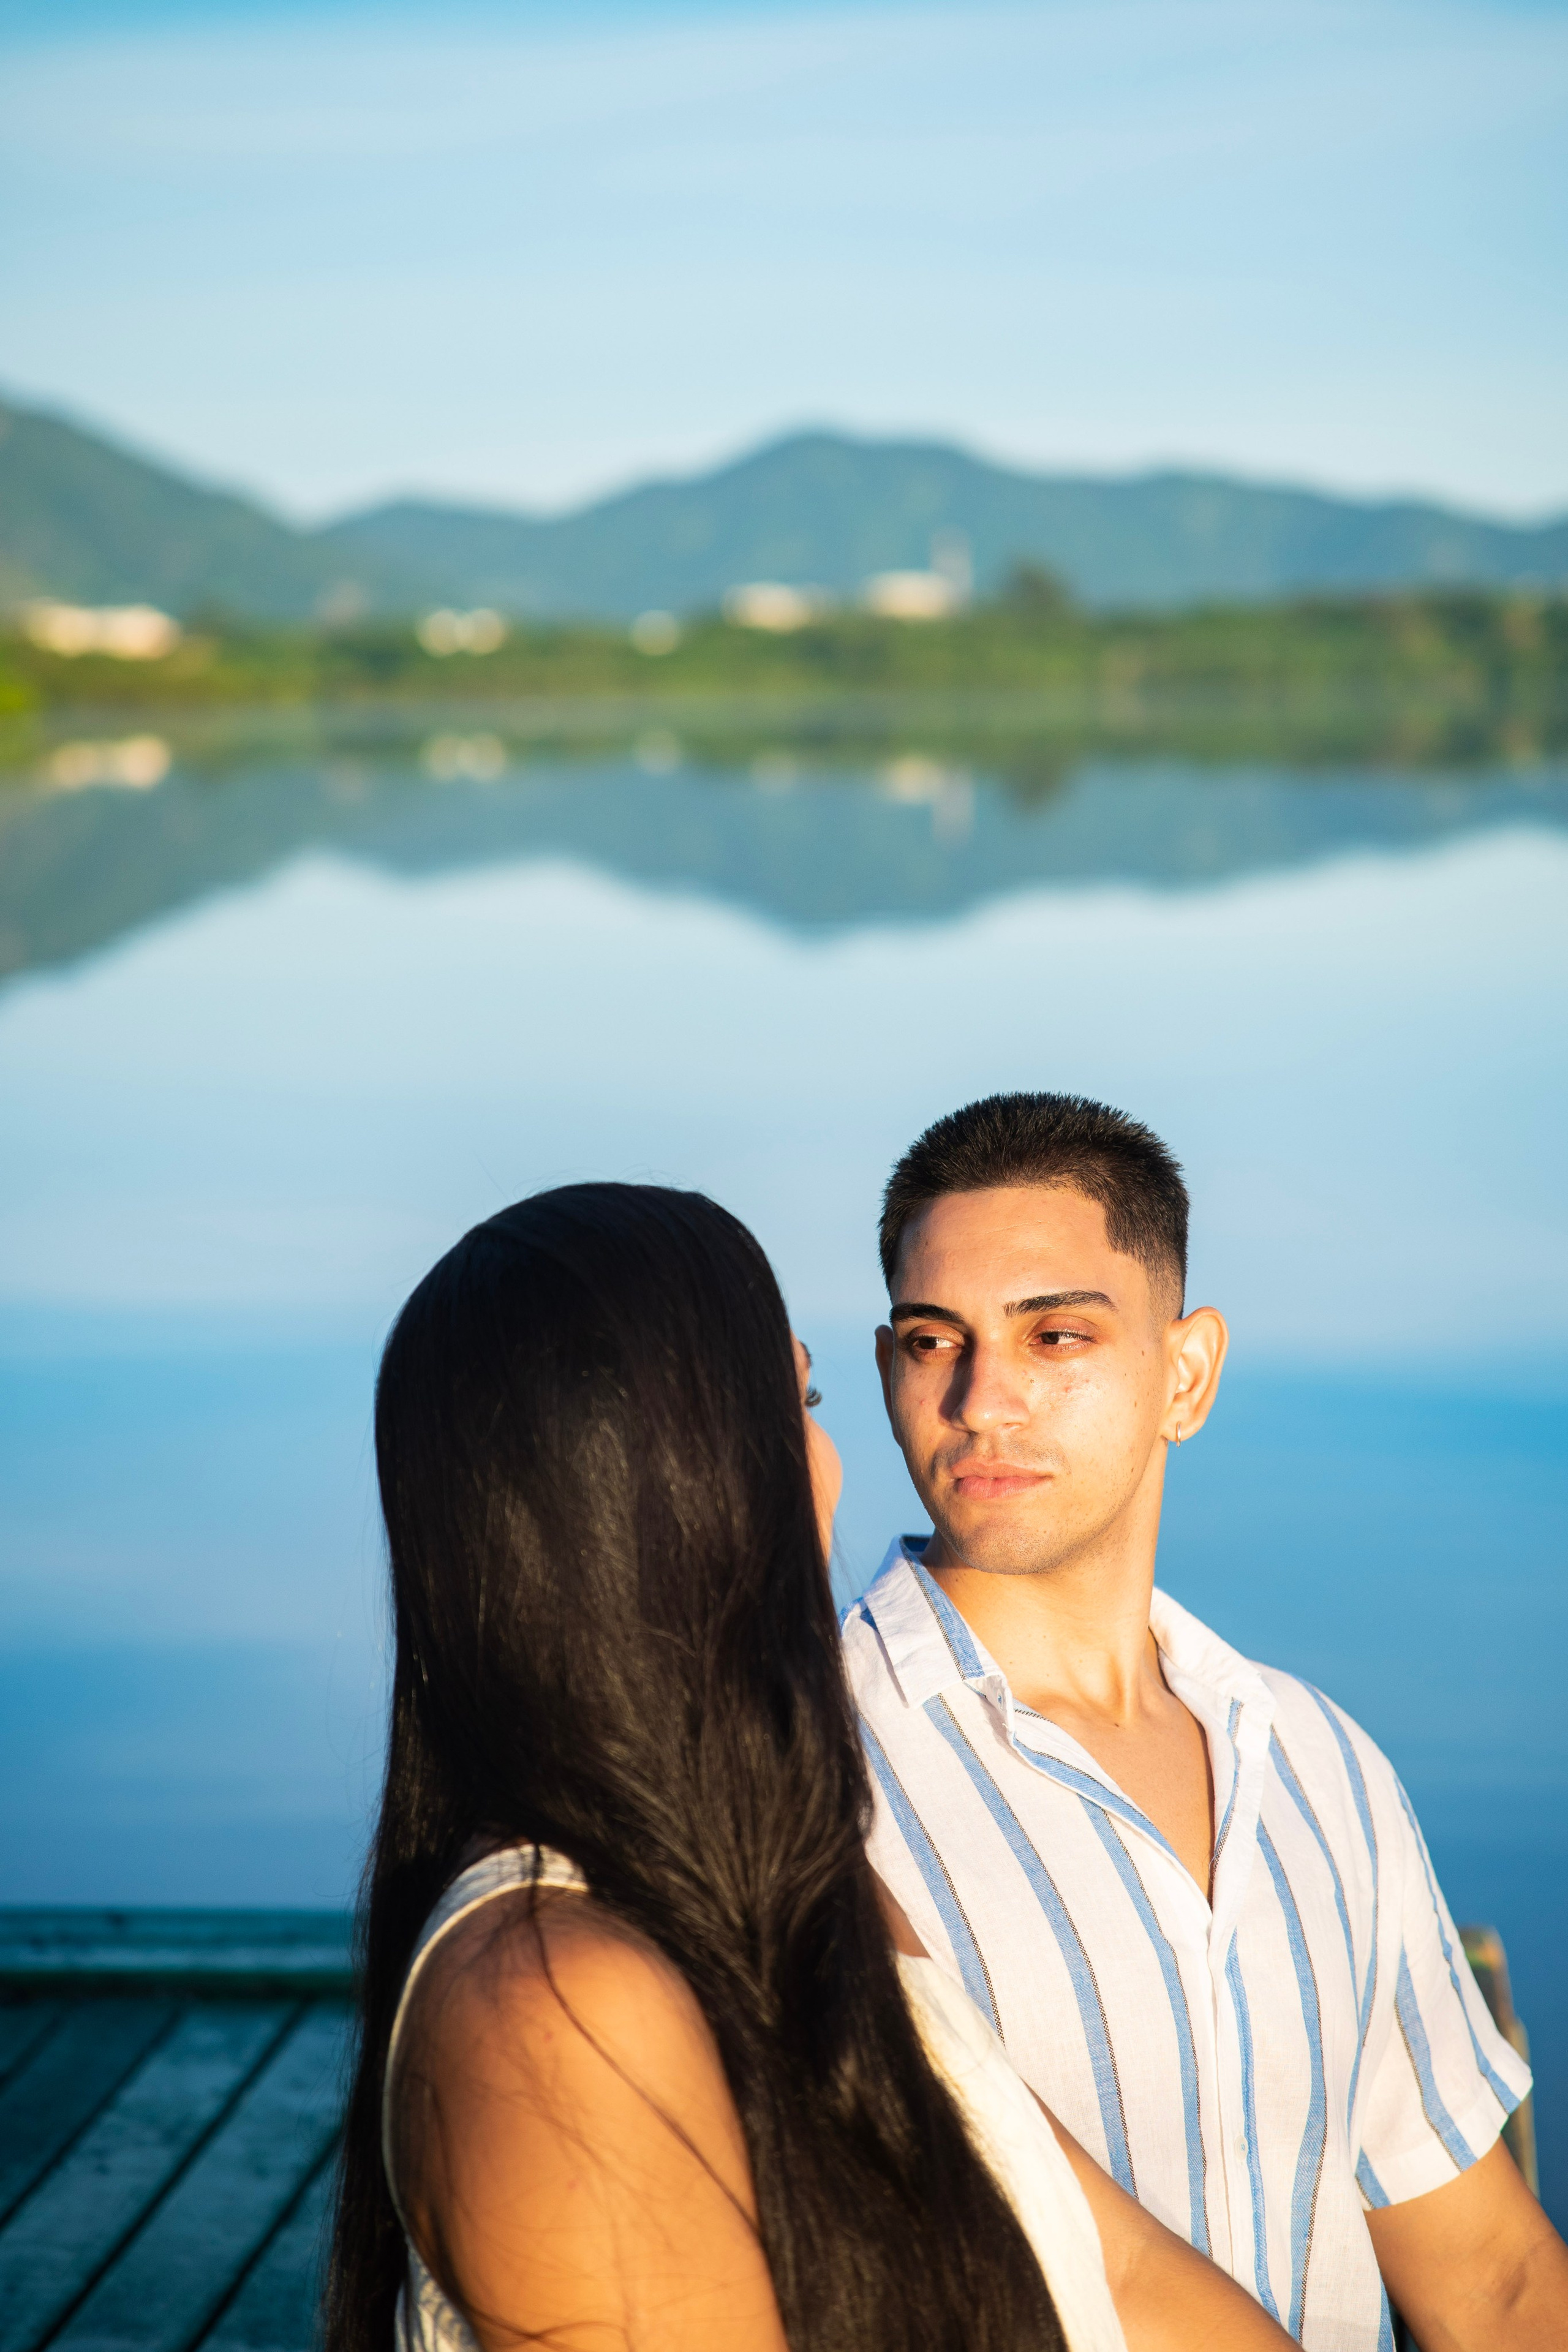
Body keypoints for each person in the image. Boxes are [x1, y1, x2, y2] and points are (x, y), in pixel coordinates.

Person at [326, 1182, 1298, 2352]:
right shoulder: (558, 2007)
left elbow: (1112, 2264)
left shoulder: (790, 1886)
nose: (831, 1461)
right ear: (685, 1474)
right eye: (798, 1401)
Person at [844, 1091, 1568, 2352]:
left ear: (1184, 1375)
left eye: (1055, 1336)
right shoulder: (804, 1766)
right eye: (932, 1340)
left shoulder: (1319, 1765)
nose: (981, 1400)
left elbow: (1491, 2282)